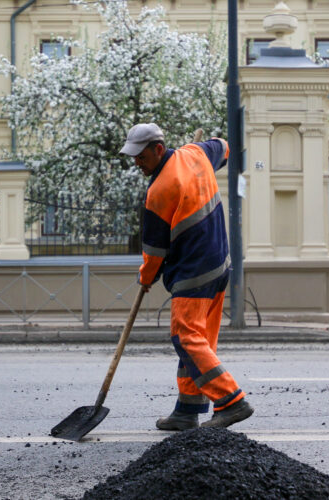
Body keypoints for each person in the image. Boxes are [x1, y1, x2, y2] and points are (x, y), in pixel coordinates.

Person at [121, 123, 253, 430]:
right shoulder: (196, 153)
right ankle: (187, 409)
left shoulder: (158, 191)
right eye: (133, 157)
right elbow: (224, 146)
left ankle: (232, 401)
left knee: (186, 337)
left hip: (193, 272)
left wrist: (146, 278)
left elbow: (154, 252)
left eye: (140, 157)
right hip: (219, 264)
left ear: (157, 149)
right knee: (199, 339)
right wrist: (199, 155)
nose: (137, 163)